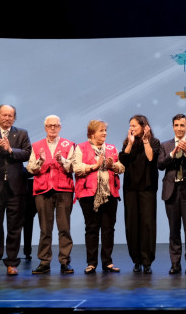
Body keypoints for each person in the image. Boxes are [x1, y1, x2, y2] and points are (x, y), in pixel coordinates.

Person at [0, 104, 32, 276]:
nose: (7, 118)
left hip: (16, 187)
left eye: (11, 115)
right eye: (4, 115)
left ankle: (11, 262)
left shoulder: (22, 133)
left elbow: (27, 153)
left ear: (14, 118)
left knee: (14, 227)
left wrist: (10, 150)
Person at [71, 120, 125, 274]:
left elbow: (121, 167)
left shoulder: (111, 148)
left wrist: (112, 166)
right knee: (92, 229)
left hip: (110, 195)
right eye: (101, 130)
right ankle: (92, 262)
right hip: (89, 195)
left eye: (105, 130)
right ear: (92, 134)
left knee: (108, 229)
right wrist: (94, 166)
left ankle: (107, 262)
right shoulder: (81, 148)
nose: (104, 133)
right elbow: (76, 167)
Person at [26, 115, 75, 275]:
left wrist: (62, 161)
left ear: (60, 127)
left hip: (63, 190)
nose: (52, 128)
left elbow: (73, 167)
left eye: (55, 125)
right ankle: (44, 262)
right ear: (45, 127)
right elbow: (30, 168)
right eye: (49, 126)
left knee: (64, 228)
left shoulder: (69, 144)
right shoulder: (37, 146)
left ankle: (65, 261)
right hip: (43, 191)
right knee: (45, 229)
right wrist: (41, 161)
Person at [158, 114, 186, 275]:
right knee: (173, 229)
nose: (179, 128)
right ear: (173, 127)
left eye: (182, 125)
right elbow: (160, 165)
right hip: (171, 191)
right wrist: (173, 153)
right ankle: (175, 263)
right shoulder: (165, 145)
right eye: (176, 125)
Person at [119, 114, 161, 274]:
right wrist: (129, 144)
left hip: (147, 189)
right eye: (130, 125)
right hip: (130, 189)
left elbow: (151, 158)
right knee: (132, 225)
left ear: (144, 126)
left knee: (147, 225)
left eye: (134, 125)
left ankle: (147, 260)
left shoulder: (154, 142)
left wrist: (145, 141)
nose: (131, 128)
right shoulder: (127, 143)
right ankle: (136, 260)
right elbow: (122, 162)